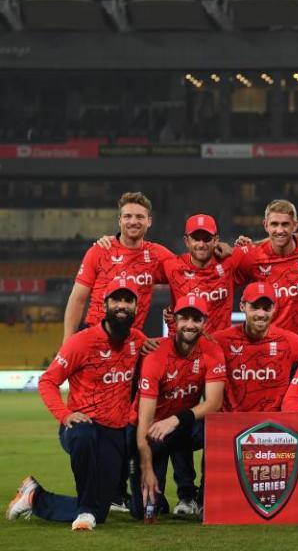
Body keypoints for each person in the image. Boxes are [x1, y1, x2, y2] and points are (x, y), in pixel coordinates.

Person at [8, 278, 147, 530]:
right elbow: (47, 381)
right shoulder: (81, 341)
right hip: (83, 426)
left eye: (128, 300)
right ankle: (84, 511)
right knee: (83, 435)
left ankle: (34, 497)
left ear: (137, 307)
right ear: (105, 304)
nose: (122, 306)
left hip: (115, 432)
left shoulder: (138, 340)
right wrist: (65, 414)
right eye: (117, 299)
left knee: (99, 513)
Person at [129, 295, 225, 519]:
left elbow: (214, 403)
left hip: (180, 425)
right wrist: (147, 468)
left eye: (196, 319)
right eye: (184, 318)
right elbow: (144, 419)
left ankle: (203, 499)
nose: (190, 324)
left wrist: (176, 420)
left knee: (217, 428)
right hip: (151, 431)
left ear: (205, 322)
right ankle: (154, 496)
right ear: (174, 321)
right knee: (144, 511)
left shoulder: (212, 351)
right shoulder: (155, 354)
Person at [64, 192, 173, 342]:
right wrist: (67, 344)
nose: (133, 221)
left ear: (149, 221)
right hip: (95, 339)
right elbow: (77, 300)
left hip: (132, 344)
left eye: (140, 217)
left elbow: (189, 275)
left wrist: (174, 307)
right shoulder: (99, 251)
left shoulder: (157, 255)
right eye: (128, 216)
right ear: (119, 220)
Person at [212, 282, 298, 413]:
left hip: (273, 427)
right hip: (232, 425)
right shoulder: (221, 340)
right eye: (255, 307)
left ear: (274, 309)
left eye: (266, 308)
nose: (261, 314)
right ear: (242, 306)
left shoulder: (287, 340)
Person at [234, 200, 298, 342]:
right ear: (265, 225)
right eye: (274, 224)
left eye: (285, 224)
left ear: (295, 225)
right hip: (267, 346)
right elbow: (223, 280)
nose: (280, 230)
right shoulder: (251, 256)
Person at [161, 214, 239, 334]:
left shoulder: (229, 262)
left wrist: (240, 247)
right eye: (196, 239)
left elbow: (262, 253)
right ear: (186, 241)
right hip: (185, 349)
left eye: (206, 238)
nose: (201, 244)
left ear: (216, 240)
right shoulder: (172, 266)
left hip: (220, 348)